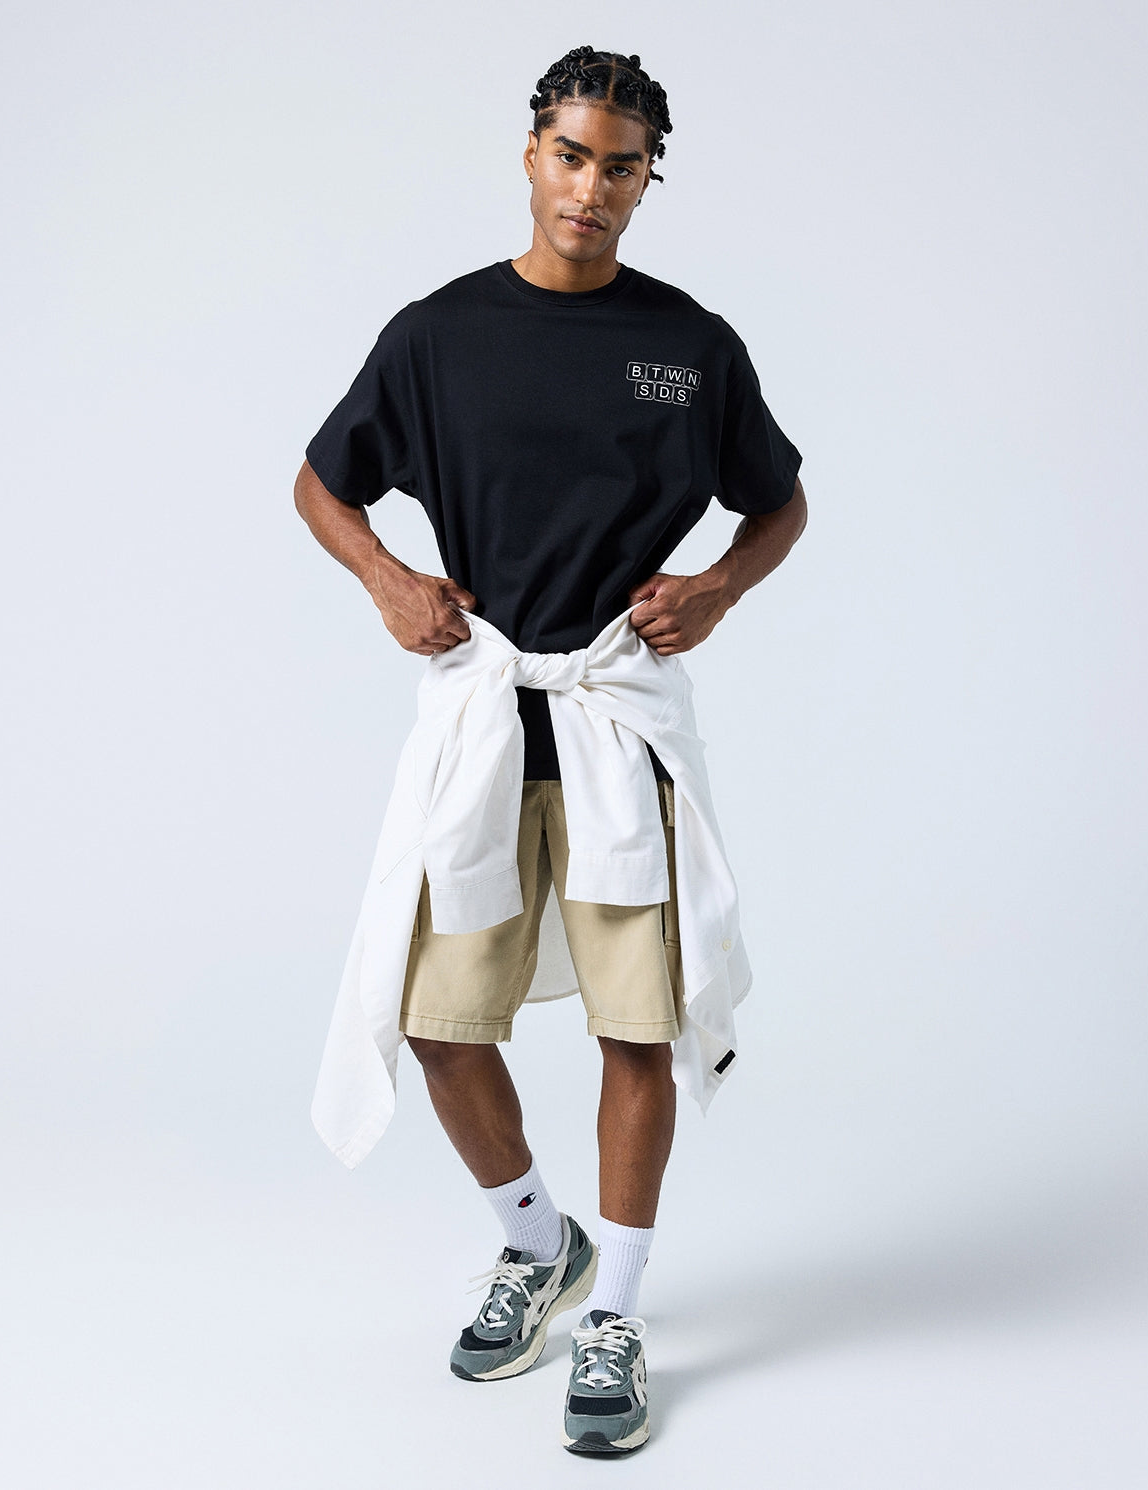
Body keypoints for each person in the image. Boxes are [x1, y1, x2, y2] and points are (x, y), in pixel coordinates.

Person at [293, 44, 807, 1455]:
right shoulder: (439, 334)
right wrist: (389, 580)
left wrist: (718, 587)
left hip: (614, 722)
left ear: (647, 181)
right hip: (485, 720)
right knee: (437, 1021)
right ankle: (538, 1241)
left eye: (621, 167)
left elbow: (780, 502)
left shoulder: (689, 346)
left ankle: (617, 1313)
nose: (591, 187)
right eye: (571, 156)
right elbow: (322, 483)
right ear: (531, 155)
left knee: (638, 1025)